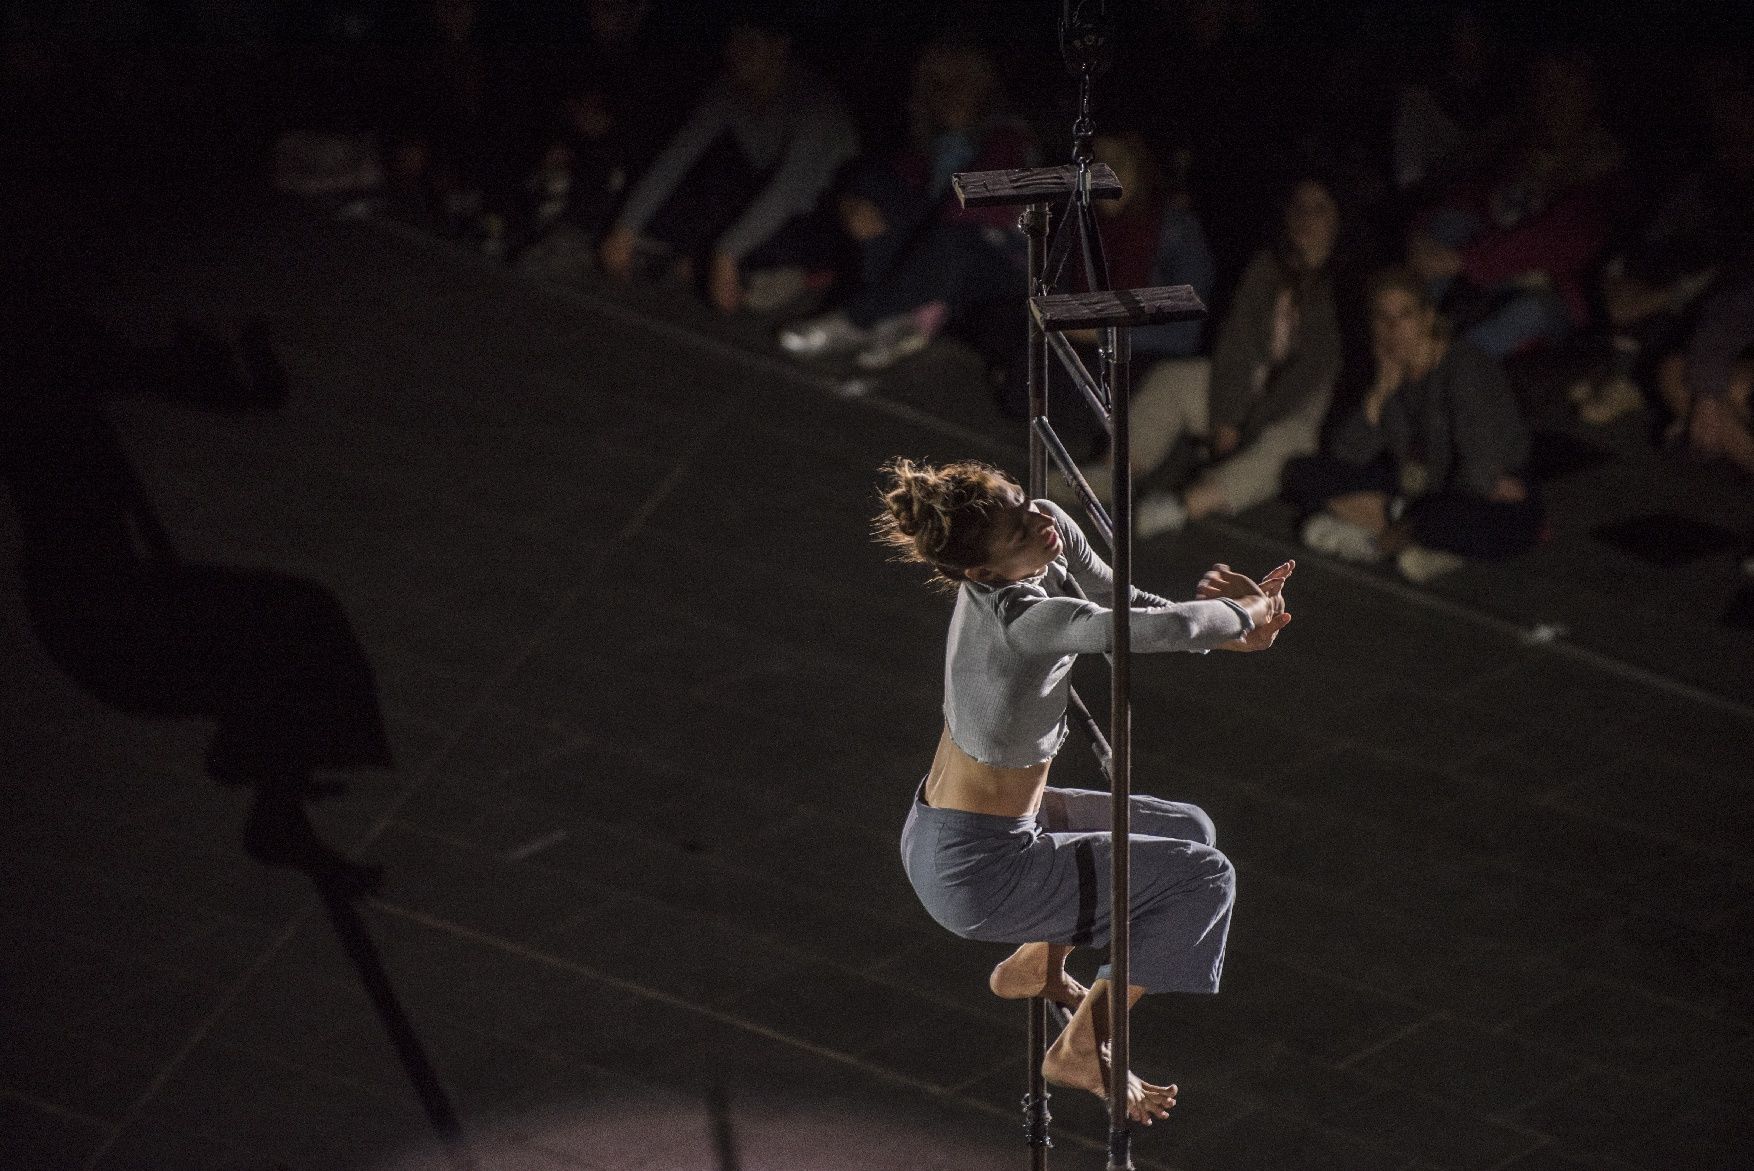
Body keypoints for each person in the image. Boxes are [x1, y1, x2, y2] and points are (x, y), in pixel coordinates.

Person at [875, 457, 1292, 1123]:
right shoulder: (1020, 620)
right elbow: (1146, 630)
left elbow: (1124, 604)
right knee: (1203, 878)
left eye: (1026, 505)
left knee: (1188, 831)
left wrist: (1238, 633)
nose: (1039, 524)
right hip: (979, 874)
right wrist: (1239, 612)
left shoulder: (1040, 530)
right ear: (982, 573)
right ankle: (1082, 1046)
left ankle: (1038, 963)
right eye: (1017, 532)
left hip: (980, 828)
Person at [1057, 175, 1342, 537]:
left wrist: (1245, 424)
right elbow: (1236, 343)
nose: (1306, 218)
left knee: (1289, 440)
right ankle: (1113, 470)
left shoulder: (1342, 289)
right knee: (1176, 379)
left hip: (1301, 409)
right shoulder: (1267, 269)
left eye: (1319, 210)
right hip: (1250, 390)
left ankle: (1184, 505)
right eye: (1299, 208)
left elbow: (1308, 377)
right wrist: (1227, 416)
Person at [1285, 266, 1540, 582]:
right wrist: (1381, 389)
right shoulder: (1390, 368)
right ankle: (1402, 539)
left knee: (1446, 518)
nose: (1393, 328)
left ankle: (1384, 538)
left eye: (1404, 316)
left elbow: (1478, 470)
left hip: (1472, 494)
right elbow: (1347, 454)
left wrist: (1397, 509)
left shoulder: (1463, 369)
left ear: (1427, 317)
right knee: (1303, 475)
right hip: (1415, 490)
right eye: (1382, 318)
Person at [597, 12, 857, 314]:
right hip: (766, 197)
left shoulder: (814, 105)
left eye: (750, 44)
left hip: (819, 211)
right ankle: (717, 259)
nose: (736, 52)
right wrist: (624, 228)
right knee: (701, 191)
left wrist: (725, 255)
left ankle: (800, 274)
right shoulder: (729, 91)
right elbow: (676, 158)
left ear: (779, 48)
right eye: (733, 41)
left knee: (774, 241)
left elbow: (788, 190)